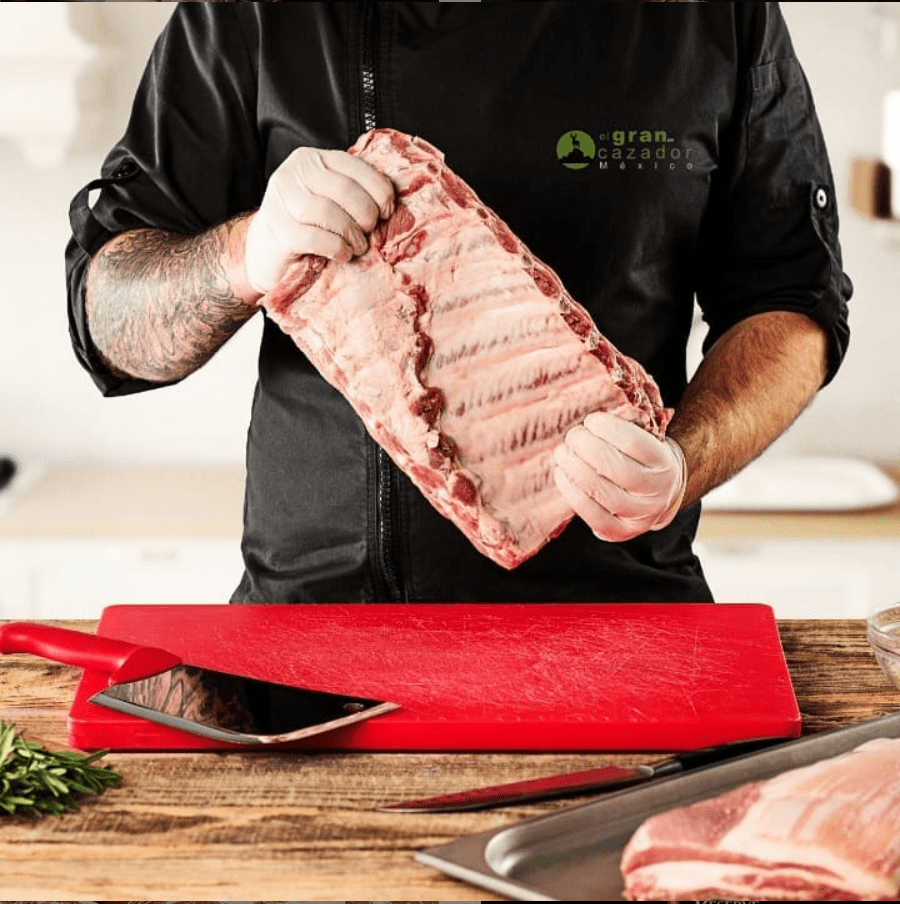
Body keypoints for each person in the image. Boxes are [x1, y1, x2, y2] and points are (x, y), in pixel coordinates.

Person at [65, 2, 851, 604]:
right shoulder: (260, 14)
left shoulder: (712, 15)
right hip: (316, 634)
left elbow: (790, 300)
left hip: (622, 616)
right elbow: (110, 318)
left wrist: (686, 460)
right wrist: (248, 252)